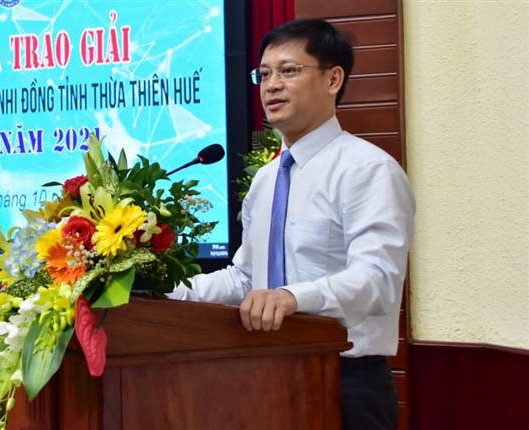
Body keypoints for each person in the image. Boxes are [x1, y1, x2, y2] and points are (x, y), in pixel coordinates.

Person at [169, 19, 415, 430]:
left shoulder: (368, 170)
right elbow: (246, 279)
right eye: (264, 74)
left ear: (333, 79)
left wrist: (292, 298)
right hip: (266, 377)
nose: (272, 86)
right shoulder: (266, 180)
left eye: (288, 71)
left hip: (345, 380)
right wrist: (164, 292)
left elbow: (378, 279)